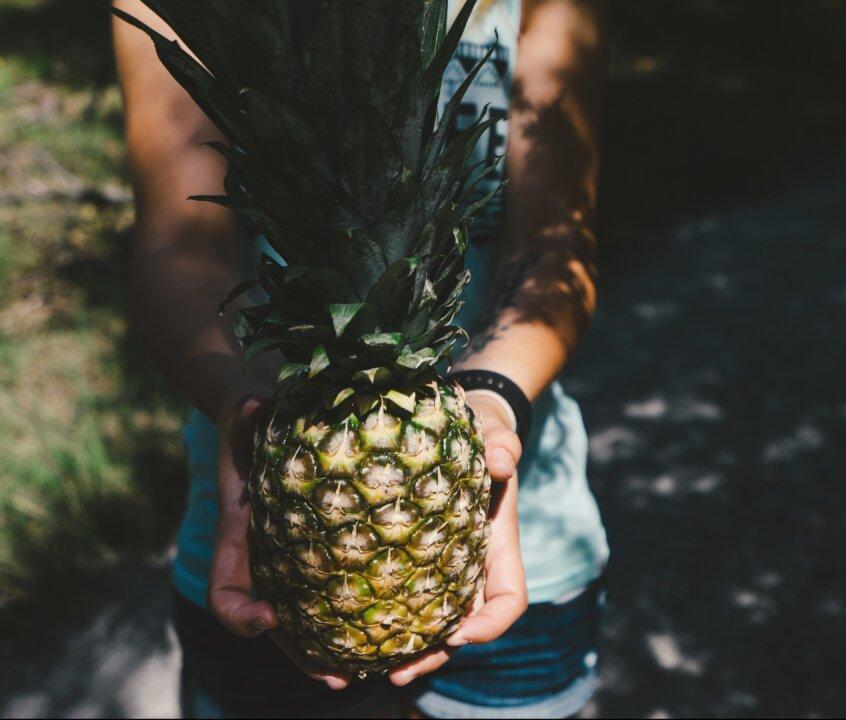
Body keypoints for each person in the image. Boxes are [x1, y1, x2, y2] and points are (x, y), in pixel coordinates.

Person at [112, 0, 609, 717]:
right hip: (263, 540)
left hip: (533, 545)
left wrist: (492, 396)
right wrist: (239, 403)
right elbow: (180, 244)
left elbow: (557, 243)